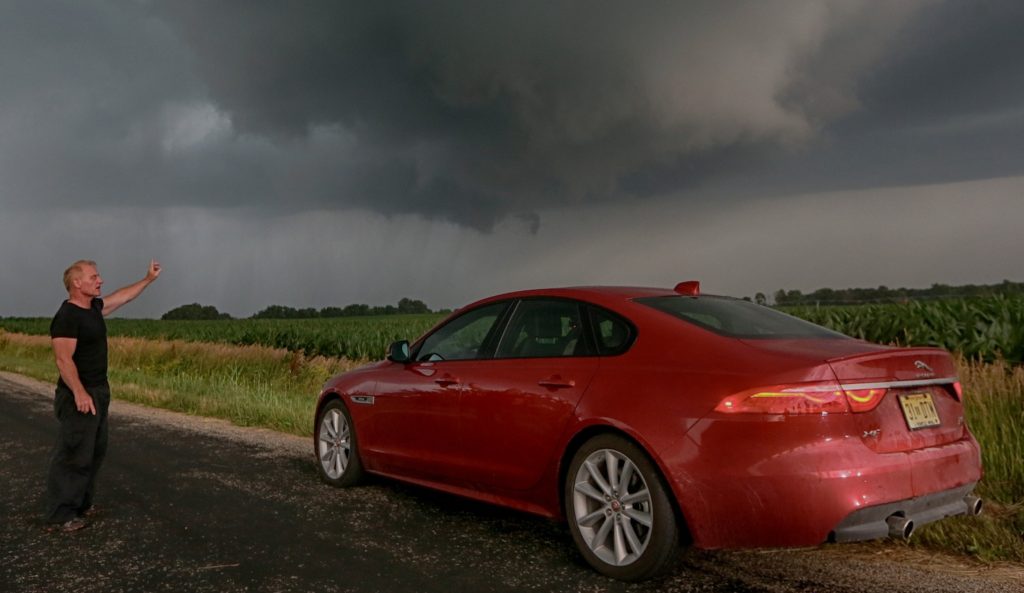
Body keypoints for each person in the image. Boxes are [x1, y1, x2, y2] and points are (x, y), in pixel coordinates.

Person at [43, 259, 162, 532]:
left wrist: (147, 279)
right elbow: (63, 360)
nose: (100, 280)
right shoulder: (68, 316)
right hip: (78, 395)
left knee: (94, 451)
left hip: (98, 391)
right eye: (94, 277)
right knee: (74, 453)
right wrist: (80, 393)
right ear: (77, 283)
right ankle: (60, 514)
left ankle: (81, 504)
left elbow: (121, 297)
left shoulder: (93, 309)